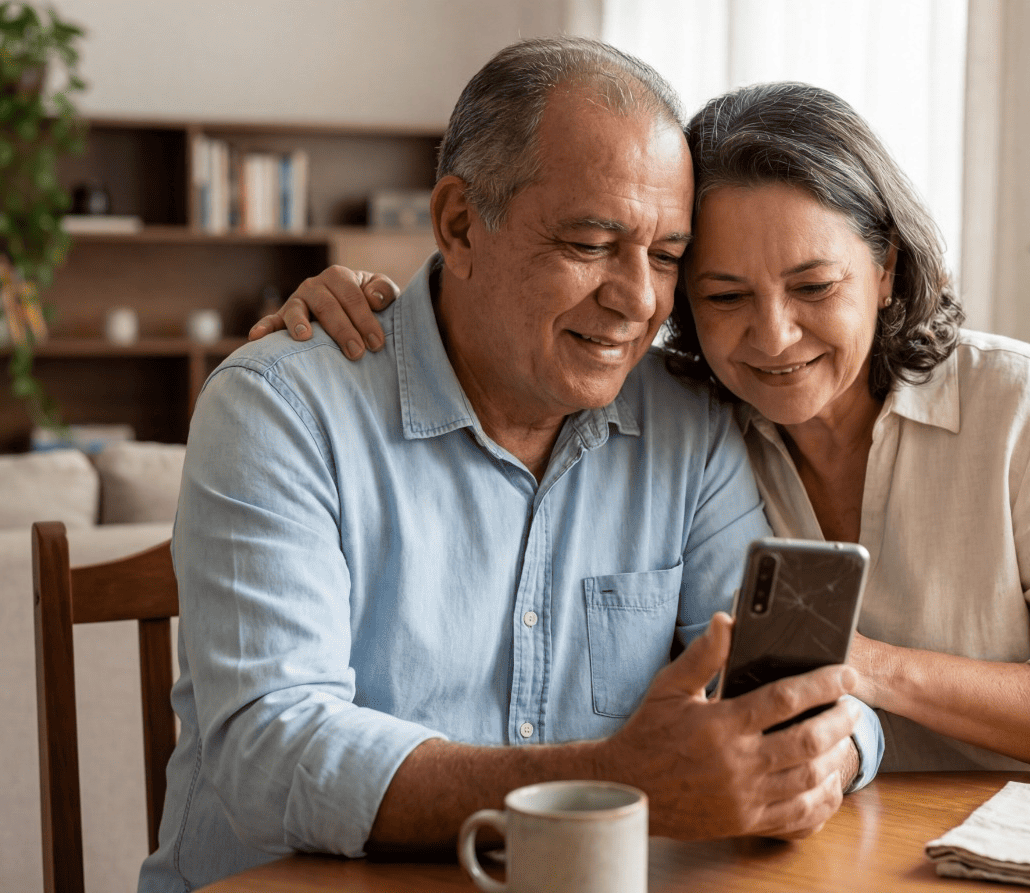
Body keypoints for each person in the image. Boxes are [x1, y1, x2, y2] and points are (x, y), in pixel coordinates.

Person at [270, 81, 1030, 778]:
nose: (773, 337)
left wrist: (866, 666)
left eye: (814, 286)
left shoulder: (1025, 413)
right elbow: (522, 300)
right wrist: (369, 315)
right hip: (823, 852)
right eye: (724, 296)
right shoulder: (693, 423)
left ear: (885, 267)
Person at [142, 41, 885, 893]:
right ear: (460, 224)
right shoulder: (280, 408)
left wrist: (811, 755)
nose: (639, 298)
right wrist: (615, 779)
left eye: (667, 256)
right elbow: (270, 750)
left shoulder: (690, 426)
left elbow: (808, 693)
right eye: (592, 242)